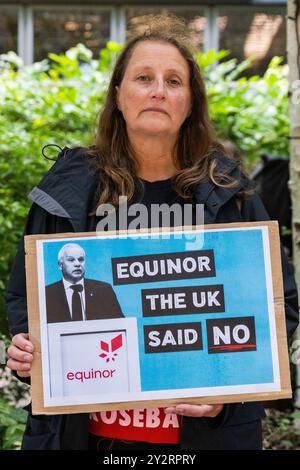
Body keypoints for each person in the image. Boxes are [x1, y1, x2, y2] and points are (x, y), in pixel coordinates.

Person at [5, 14, 298, 450]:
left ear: (190, 102)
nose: (158, 90)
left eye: (174, 81)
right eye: (144, 77)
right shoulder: (69, 192)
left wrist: (228, 394)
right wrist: (28, 349)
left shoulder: (230, 194)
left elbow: (277, 308)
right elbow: (27, 299)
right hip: (87, 437)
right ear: (119, 96)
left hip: (198, 442)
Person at [46, 243, 123, 322]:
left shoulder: (103, 290)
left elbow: (121, 324)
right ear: (60, 265)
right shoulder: (47, 293)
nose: (77, 264)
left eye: (81, 259)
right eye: (71, 260)